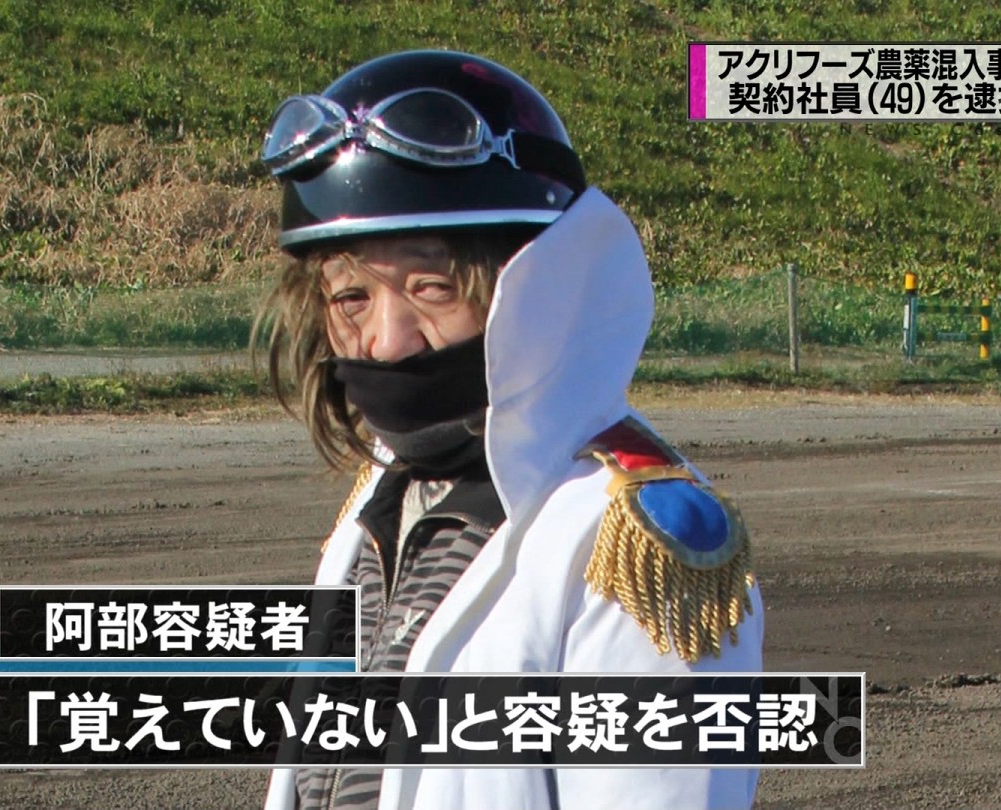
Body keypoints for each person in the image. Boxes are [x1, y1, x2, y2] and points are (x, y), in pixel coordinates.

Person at [254, 50, 764, 810]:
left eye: (432, 288)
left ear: (535, 288)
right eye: (351, 297)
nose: (387, 342)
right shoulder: (385, 500)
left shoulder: (632, 546)